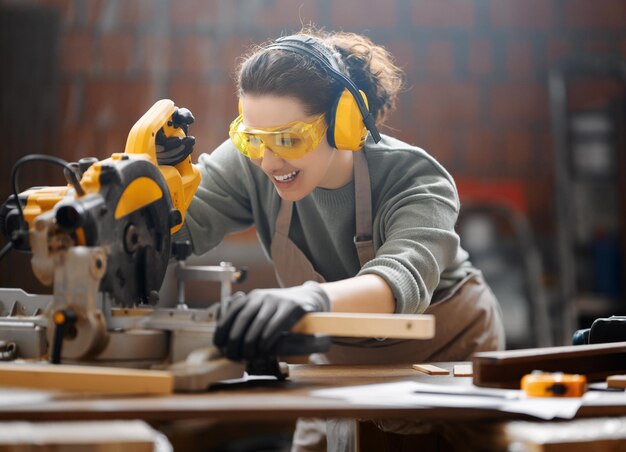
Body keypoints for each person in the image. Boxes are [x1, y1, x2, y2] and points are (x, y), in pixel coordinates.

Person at [176, 28, 505, 452]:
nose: (269, 161)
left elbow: (399, 280)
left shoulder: (415, 179)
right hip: (337, 365)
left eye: (289, 140)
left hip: (445, 361)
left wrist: (308, 299)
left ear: (343, 122)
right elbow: (178, 225)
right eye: (253, 139)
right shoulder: (254, 160)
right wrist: (135, 194)